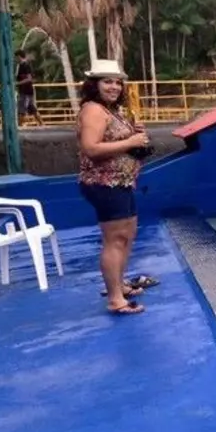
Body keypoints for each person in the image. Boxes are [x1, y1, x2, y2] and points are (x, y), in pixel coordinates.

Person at [77, 59, 153, 315]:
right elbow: (91, 148)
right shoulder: (93, 110)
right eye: (107, 81)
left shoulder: (110, 110)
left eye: (118, 82)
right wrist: (130, 141)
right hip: (104, 184)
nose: (114, 87)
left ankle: (119, 285)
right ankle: (115, 299)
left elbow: (119, 141)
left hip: (121, 182)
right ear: (94, 84)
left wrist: (135, 137)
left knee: (127, 235)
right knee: (114, 240)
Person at [15, 50, 43, 126]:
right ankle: (42, 124)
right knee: (32, 109)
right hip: (26, 91)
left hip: (25, 91)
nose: (15, 59)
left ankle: (19, 126)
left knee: (22, 110)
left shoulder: (25, 65)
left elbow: (29, 78)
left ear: (19, 57)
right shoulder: (20, 66)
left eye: (16, 58)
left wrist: (17, 83)